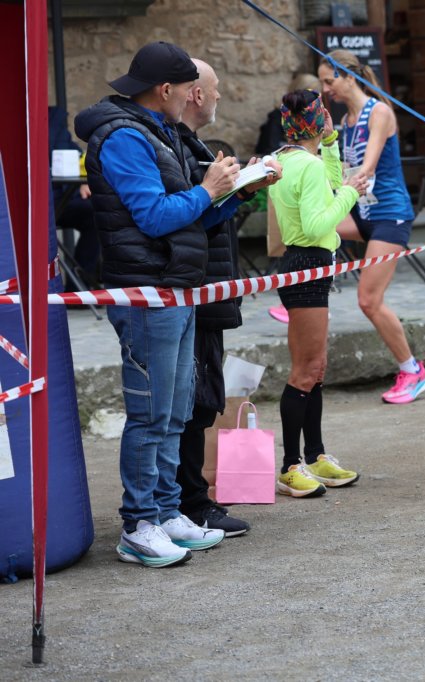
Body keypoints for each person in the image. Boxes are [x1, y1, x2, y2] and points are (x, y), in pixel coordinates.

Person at [74, 41, 249, 567]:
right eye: (189, 89)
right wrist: (208, 189)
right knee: (150, 415)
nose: (194, 98)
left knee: (174, 412)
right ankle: (138, 525)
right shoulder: (124, 136)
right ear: (166, 89)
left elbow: (189, 218)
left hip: (173, 285)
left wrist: (236, 191)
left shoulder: (158, 130)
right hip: (146, 290)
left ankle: (168, 512)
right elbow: (153, 217)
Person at [174, 59, 281, 536]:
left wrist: (242, 187)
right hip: (193, 290)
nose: (219, 96)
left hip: (209, 289)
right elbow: (188, 218)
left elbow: (207, 215)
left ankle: (190, 500)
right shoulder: (176, 147)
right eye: (215, 89)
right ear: (196, 94)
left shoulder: (191, 145)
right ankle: (190, 504)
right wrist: (225, 188)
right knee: (193, 402)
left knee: (203, 398)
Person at [317, 49, 425, 405]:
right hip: (362, 212)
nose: (325, 89)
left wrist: (341, 186)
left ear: (349, 76)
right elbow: (339, 171)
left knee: (369, 300)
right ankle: (311, 295)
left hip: (389, 215)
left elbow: (366, 169)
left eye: (329, 81)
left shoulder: (378, 112)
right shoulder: (346, 121)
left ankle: (413, 370)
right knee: (313, 228)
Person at [268, 88, 367, 497]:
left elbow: (326, 185)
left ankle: (315, 455)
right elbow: (316, 223)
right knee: (306, 370)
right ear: (319, 117)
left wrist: (330, 144)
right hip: (308, 265)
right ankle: (291, 465)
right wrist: (352, 192)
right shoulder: (305, 166)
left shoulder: (285, 159)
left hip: (303, 265)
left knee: (315, 368)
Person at [49, 105, 101, 287]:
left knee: (99, 211)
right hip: (24, 206)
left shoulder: (52, 118)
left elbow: (75, 154)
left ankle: (79, 286)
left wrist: (84, 179)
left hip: (60, 198)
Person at [255, 73, 321, 157]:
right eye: (312, 98)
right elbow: (271, 151)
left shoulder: (313, 118)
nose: (315, 103)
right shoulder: (277, 117)